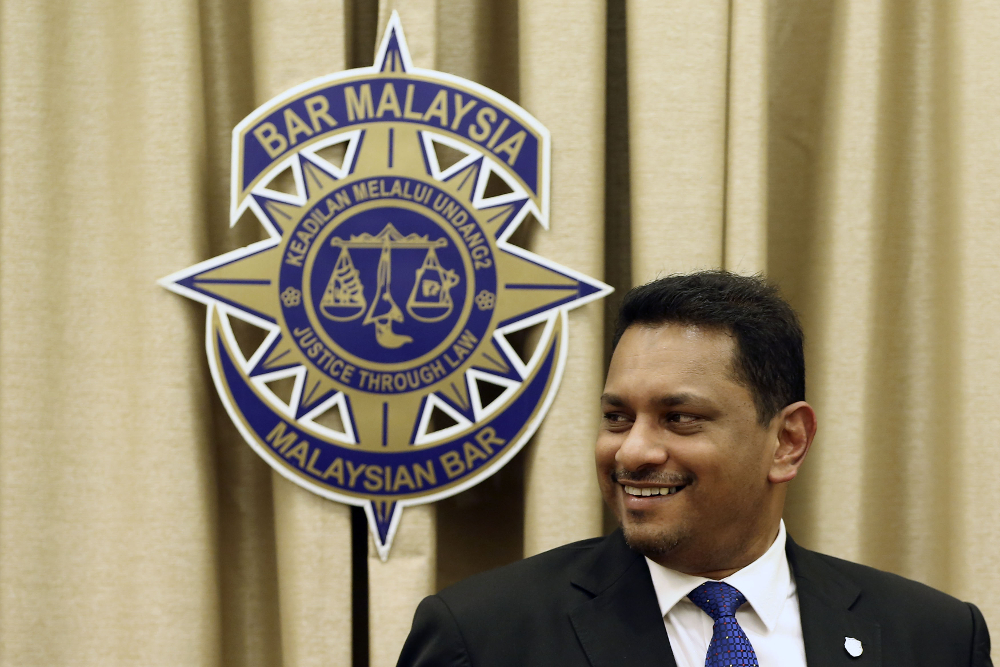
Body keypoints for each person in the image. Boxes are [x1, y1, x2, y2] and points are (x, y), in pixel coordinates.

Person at [397, 271, 992, 666]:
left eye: (679, 418)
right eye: (617, 417)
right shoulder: (482, 637)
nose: (633, 451)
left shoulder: (933, 638)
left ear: (787, 441)